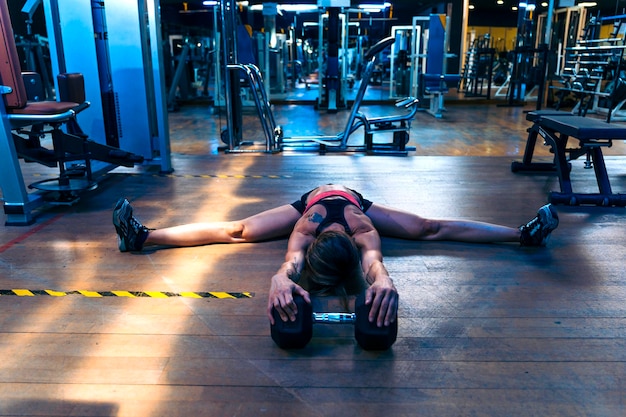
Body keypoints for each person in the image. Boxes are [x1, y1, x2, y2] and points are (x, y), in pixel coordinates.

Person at [112, 184, 559, 328]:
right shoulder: (307, 224)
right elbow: (297, 264)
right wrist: (281, 279)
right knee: (237, 230)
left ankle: (524, 235)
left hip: (346, 198)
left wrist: (381, 280)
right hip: (314, 197)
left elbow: (369, 262)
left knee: (428, 228)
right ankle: (143, 236)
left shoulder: (357, 225)